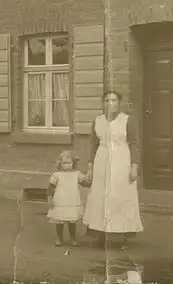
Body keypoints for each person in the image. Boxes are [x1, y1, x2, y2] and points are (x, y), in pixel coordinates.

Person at [83, 90, 143, 247]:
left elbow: (135, 144)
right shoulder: (98, 121)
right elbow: (93, 145)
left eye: (114, 100)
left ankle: (120, 234)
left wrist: (134, 167)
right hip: (101, 161)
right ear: (103, 103)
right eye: (107, 100)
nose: (110, 104)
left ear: (119, 103)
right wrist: (90, 167)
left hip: (122, 161)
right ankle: (100, 233)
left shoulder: (128, 120)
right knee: (100, 196)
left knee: (120, 195)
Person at [47, 150, 90, 247]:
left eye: (69, 163)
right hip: (60, 201)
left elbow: (85, 182)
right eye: (64, 163)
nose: (66, 165)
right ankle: (59, 238)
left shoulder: (77, 174)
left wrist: (88, 177)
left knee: (72, 222)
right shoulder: (57, 175)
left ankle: (72, 238)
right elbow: (50, 188)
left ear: (73, 163)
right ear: (60, 163)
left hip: (72, 201)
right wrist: (50, 199)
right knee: (59, 221)